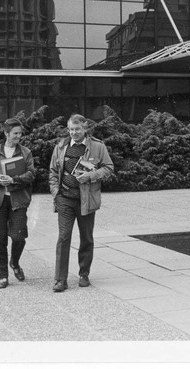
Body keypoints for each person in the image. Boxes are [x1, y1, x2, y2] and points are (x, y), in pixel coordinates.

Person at [49, 113, 114, 292]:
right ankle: (60, 279)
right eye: (71, 129)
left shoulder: (97, 146)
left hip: (86, 200)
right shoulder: (61, 146)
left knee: (86, 238)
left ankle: (84, 274)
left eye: (77, 129)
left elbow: (109, 168)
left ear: (85, 128)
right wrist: (56, 192)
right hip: (65, 199)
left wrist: (91, 176)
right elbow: (53, 172)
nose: (74, 133)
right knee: (63, 238)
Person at [0, 118, 35, 289]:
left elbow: (31, 174)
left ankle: (15, 262)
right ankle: (3, 276)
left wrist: (14, 180)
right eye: (15, 133)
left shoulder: (25, 152)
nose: (18, 136)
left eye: (20, 133)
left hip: (18, 200)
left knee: (19, 236)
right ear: (6, 133)